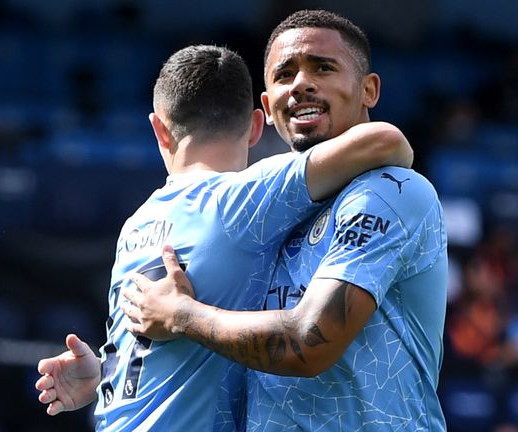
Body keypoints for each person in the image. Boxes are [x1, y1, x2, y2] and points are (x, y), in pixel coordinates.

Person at [35, 43, 413, 431]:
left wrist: (103, 374)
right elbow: (386, 141)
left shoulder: (136, 224)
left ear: (159, 130)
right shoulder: (241, 199)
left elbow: (152, 345)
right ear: (254, 127)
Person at [123, 10, 448, 431]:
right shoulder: (258, 212)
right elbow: (226, 346)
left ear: (369, 90)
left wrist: (184, 316)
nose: (300, 84)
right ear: (267, 109)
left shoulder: (389, 190)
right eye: (284, 74)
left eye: (323, 67)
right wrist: (104, 373)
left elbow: (310, 341)